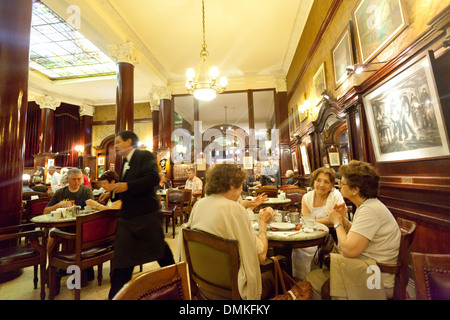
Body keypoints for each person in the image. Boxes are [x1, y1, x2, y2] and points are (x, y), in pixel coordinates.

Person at [176, 164, 276, 300]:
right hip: (234, 290)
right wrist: (263, 224)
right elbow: (260, 257)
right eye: (241, 185)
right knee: (278, 267)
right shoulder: (235, 210)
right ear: (231, 184)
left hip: (204, 285)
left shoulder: (199, 205)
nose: (241, 190)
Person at [305, 160, 401, 300]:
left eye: (342, 183)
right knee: (316, 270)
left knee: (311, 279)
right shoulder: (368, 206)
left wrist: (337, 223)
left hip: (376, 278)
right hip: (370, 267)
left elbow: (349, 250)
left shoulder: (369, 210)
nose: (339, 186)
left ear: (355, 189)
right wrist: (344, 222)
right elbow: (360, 234)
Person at [108, 130, 175, 300]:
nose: (115, 145)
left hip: (146, 216)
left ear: (129, 141)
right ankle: (116, 296)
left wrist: (127, 186)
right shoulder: (124, 162)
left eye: (118, 141)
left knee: (160, 252)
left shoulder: (143, 156)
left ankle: (177, 280)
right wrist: (113, 192)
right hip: (128, 219)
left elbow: (152, 178)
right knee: (123, 261)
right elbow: (126, 187)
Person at [291, 167, 345, 280]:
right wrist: (326, 220)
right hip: (308, 235)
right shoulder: (307, 197)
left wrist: (313, 221)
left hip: (327, 238)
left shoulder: (336, 196)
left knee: (312, 252)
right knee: (296, 249)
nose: (321, 184)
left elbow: (338, 219)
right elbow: (307, 221)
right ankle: (299, 282)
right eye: (318, 180)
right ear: (313, 181)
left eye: (326, 182)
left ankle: (314, 281)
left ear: (331, 185)